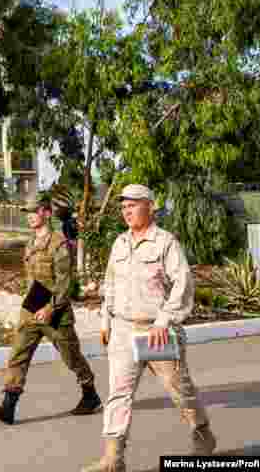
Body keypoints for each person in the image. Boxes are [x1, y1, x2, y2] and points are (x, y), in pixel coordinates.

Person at [81, 184, 216, 472]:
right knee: (118, 393)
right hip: (123, 330)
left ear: (149, 206)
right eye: (123, 207)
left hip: (157, 332)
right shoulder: (120, 243)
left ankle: (202, 435)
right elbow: (111, 284)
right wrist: (106, 320)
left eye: (132, 205)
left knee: (179, 390)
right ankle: (112, 459)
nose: (126, 211)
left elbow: (183, 283)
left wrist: (164, 320)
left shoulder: (165, 242)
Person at [0, 197, 102, 425]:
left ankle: (90, 393)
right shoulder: (30, 243)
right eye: (26, 211)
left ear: (47, 213)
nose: (29, 215)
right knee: (18, 354)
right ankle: (8, 407)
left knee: (72, 357)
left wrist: (50, 308)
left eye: (34, 211)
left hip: (55, 313)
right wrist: (30, 306)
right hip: (31, 309)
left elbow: (65, 284)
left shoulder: (58, 244)